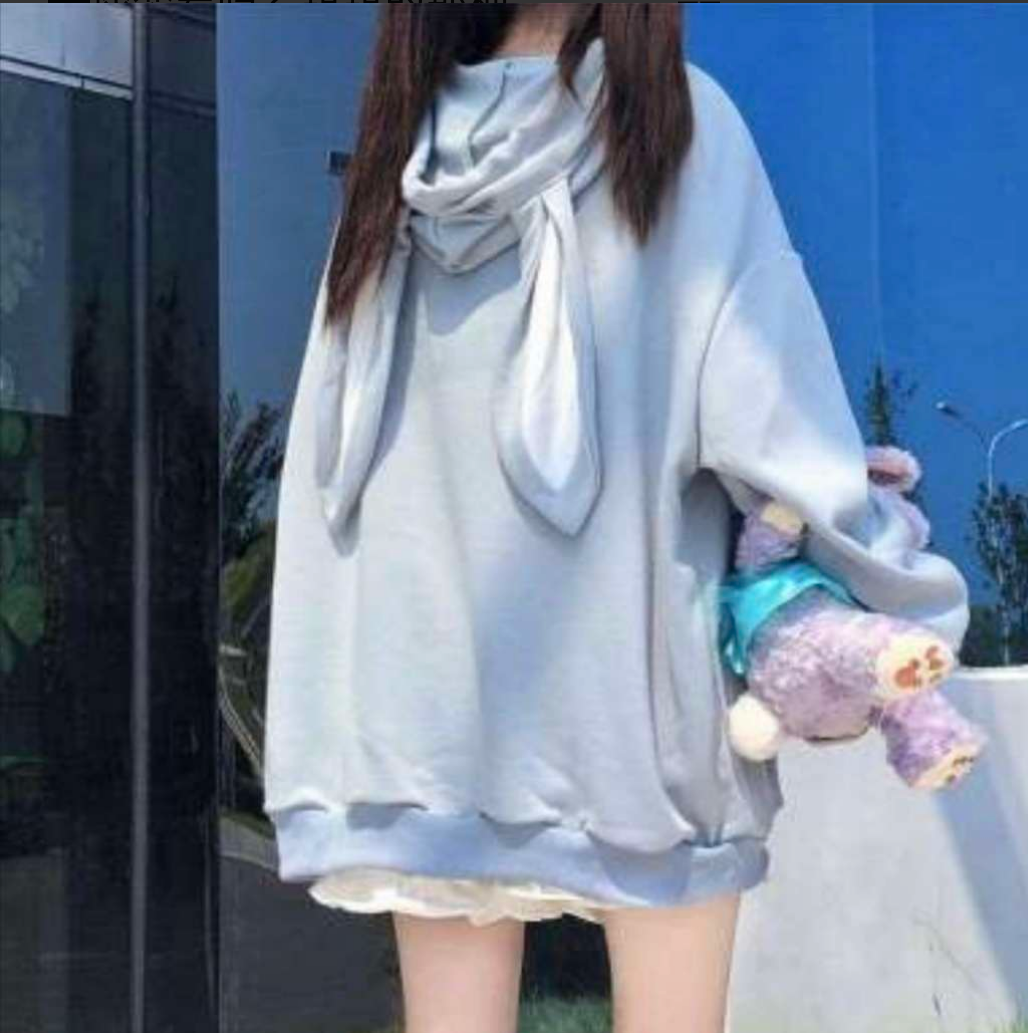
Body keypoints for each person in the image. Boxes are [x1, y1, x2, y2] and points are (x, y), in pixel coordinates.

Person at [261, 5, 971, 1032]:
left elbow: (330, 467)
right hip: (636, 712)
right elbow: (770, 413)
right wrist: (887, 594)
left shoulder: (397, 160)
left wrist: (331, 703)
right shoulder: (676, 124)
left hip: (420, 717)